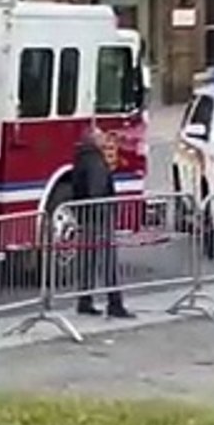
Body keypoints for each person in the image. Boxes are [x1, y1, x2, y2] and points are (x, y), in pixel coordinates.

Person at [71, 127, 134, 319]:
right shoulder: (96, 162)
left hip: (86, 218)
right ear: (93, 141)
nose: (105, 140)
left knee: (87, 262)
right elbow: (96, 191)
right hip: (99, 220)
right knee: (108, 264)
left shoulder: (81, 159)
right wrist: (105, 214)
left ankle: (84, 301)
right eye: (101, 136)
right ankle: (115, 303)